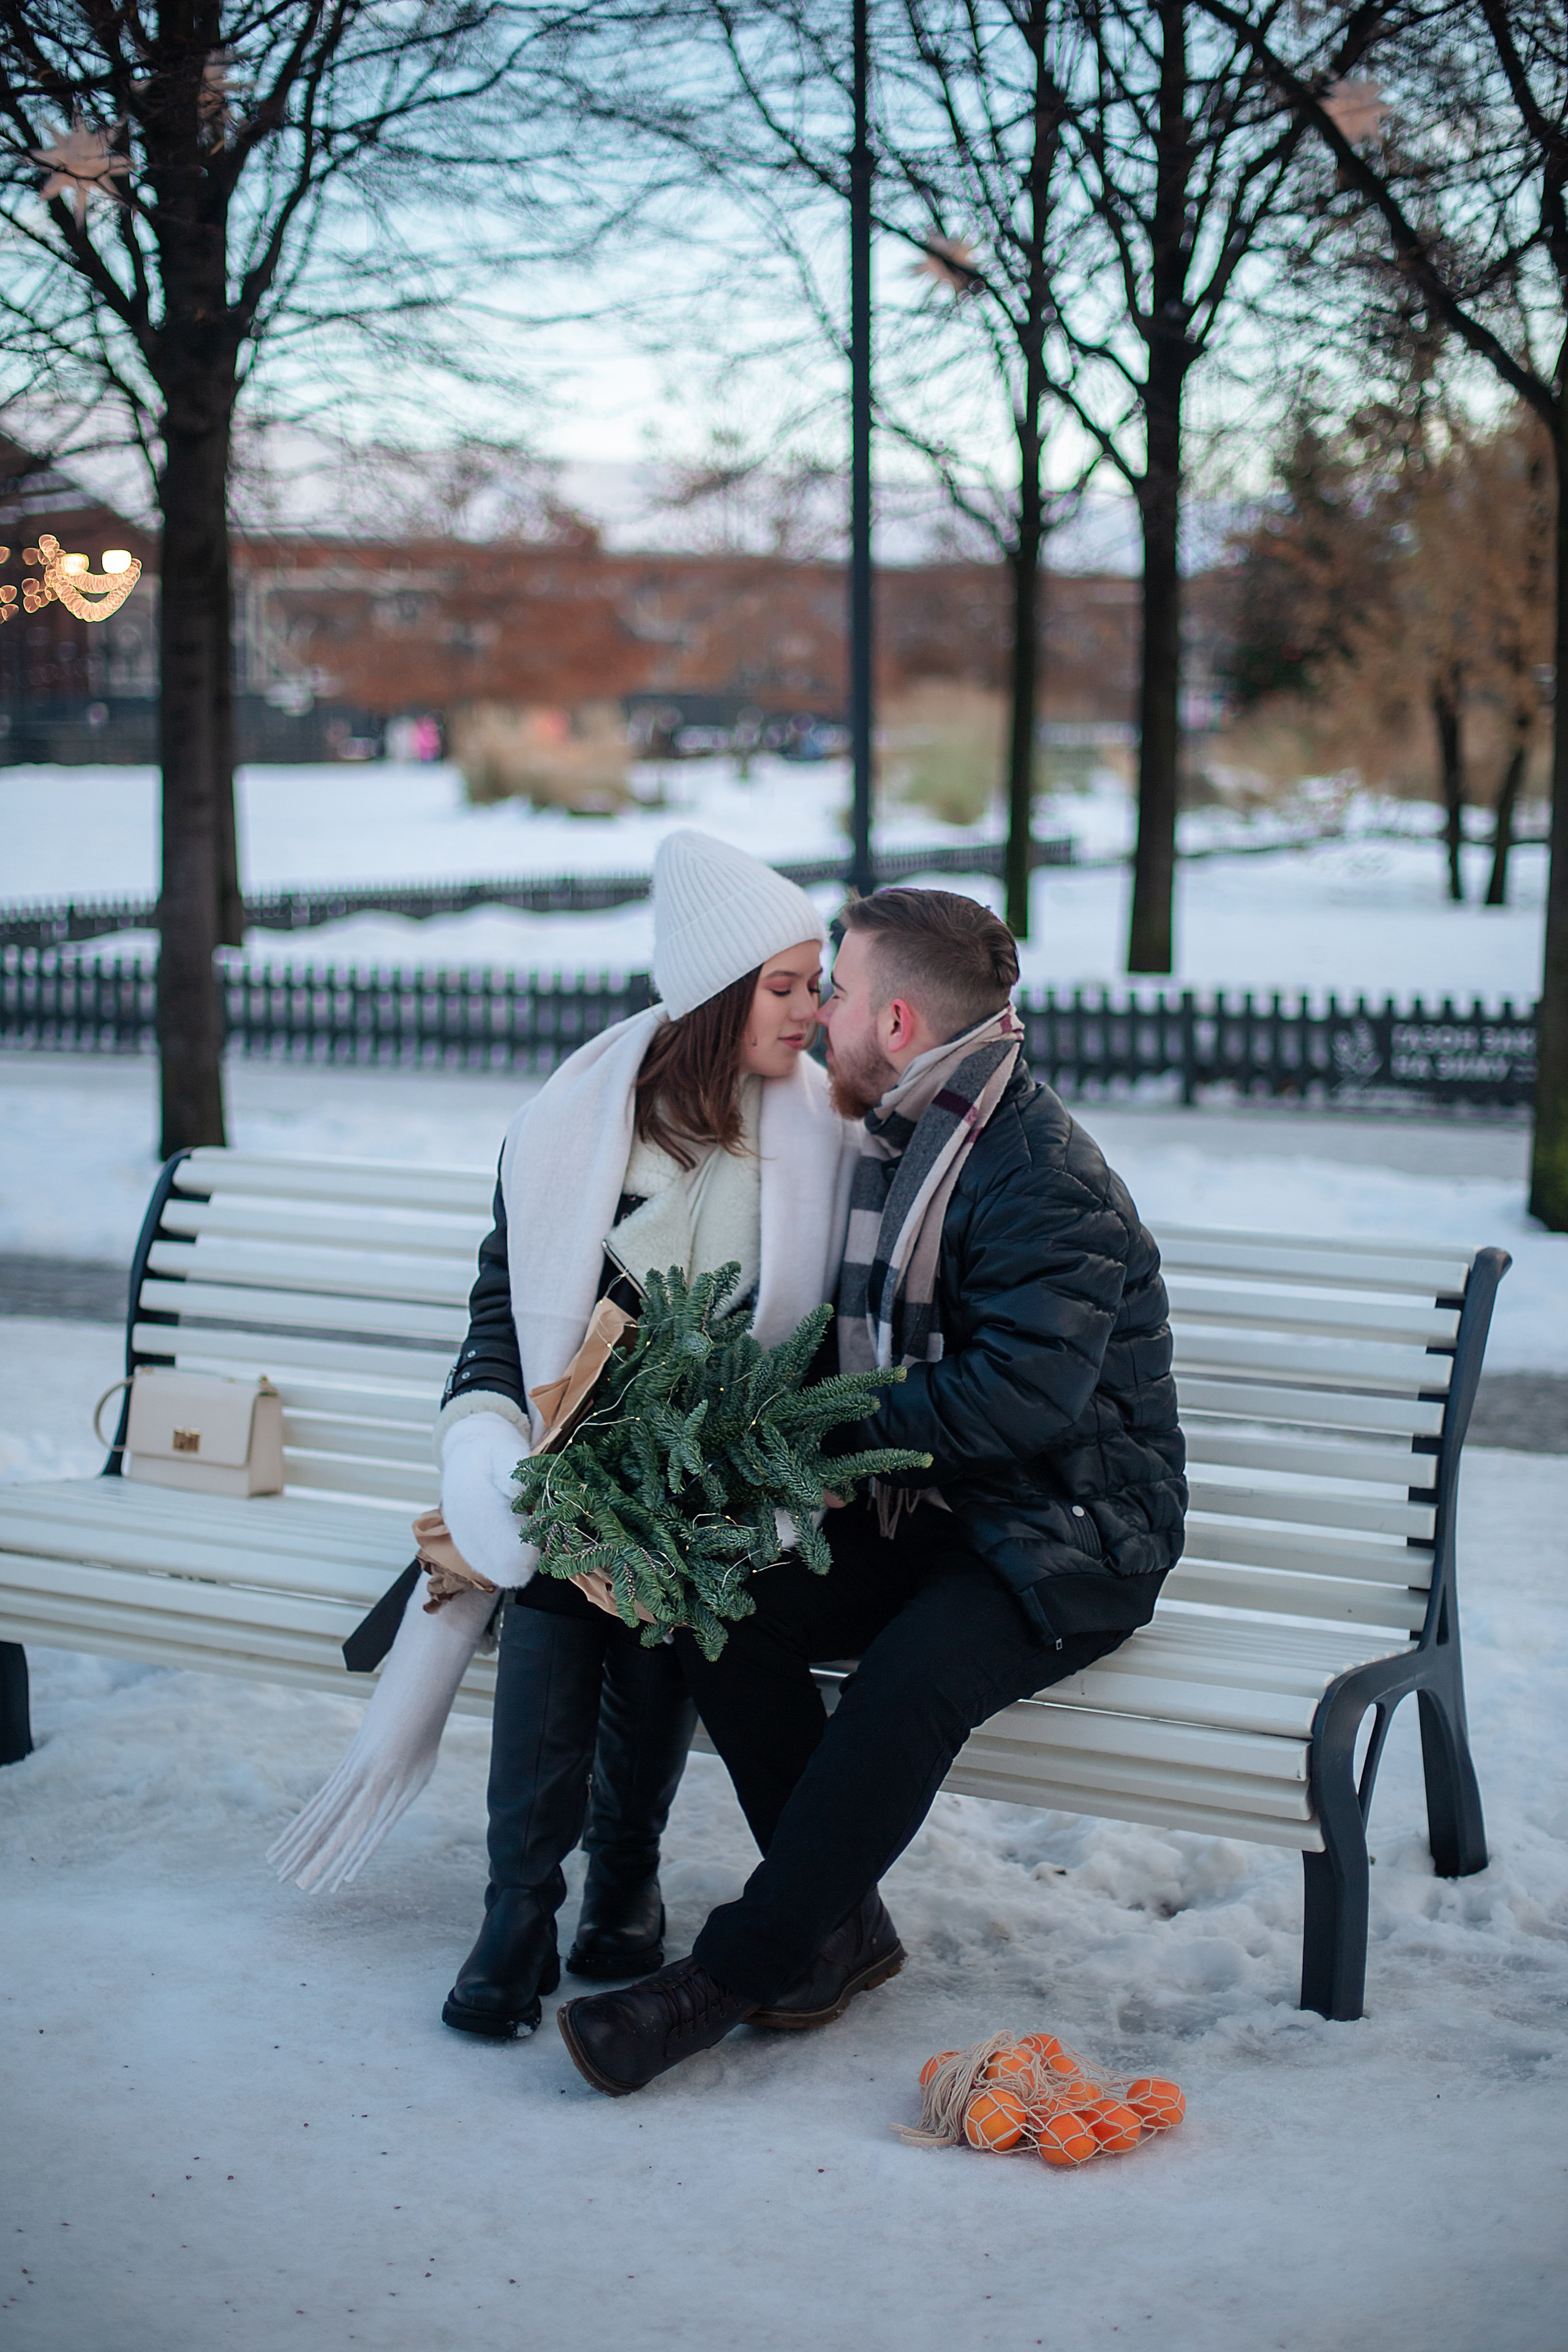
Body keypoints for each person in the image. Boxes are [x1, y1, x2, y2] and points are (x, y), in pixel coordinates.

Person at [556, 886, 1188, 2094]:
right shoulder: (909, 1137)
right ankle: (836, 1928)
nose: (820, 1014)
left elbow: (1023, 1398)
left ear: (896, 1023)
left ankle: (727, 1976)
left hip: (1064, 1534)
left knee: (905, 1684)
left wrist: (814, 1431)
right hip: (941, 1513)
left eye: (837, 992)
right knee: (719, 1602)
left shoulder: (1039, 1176)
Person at [269, 831, 856, 2043]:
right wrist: (481, 1440)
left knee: (655, 1565)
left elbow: (832, 1347)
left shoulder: (821, 1138)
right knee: (559, 1557)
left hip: (735, 1473)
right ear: (715, 994)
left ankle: (608, 1881)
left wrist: (744, 1464)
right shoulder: (572, 1125)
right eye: (785, 986)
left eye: (817, 984)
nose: (812, 1010)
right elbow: (503, 1312)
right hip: (568, 1452)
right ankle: (530, 1908)